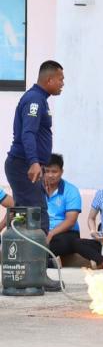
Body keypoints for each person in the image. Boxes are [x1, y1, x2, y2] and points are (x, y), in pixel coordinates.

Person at [4, 60, 64, 292]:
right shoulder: (34, 100)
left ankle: (23, 272)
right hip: (23, 165)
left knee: (28, 217)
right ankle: (35, 275)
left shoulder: (40, 99)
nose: (62, 83)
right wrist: (33, 162)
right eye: (60, 79)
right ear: (49, 79)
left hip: (26, 165)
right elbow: (27, 133)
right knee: (36, 217)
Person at [44, 154, 103, 268]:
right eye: (47, 171)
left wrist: (51, 233)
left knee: (60, 243)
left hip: (65, 233)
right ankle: (50, 262)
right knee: (29, 242)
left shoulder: (71, 190)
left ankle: (47, 261)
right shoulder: (37, 189)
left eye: (54, 171)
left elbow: (70, 221)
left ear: (61, 172)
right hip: (43, 231)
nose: (50, 175)